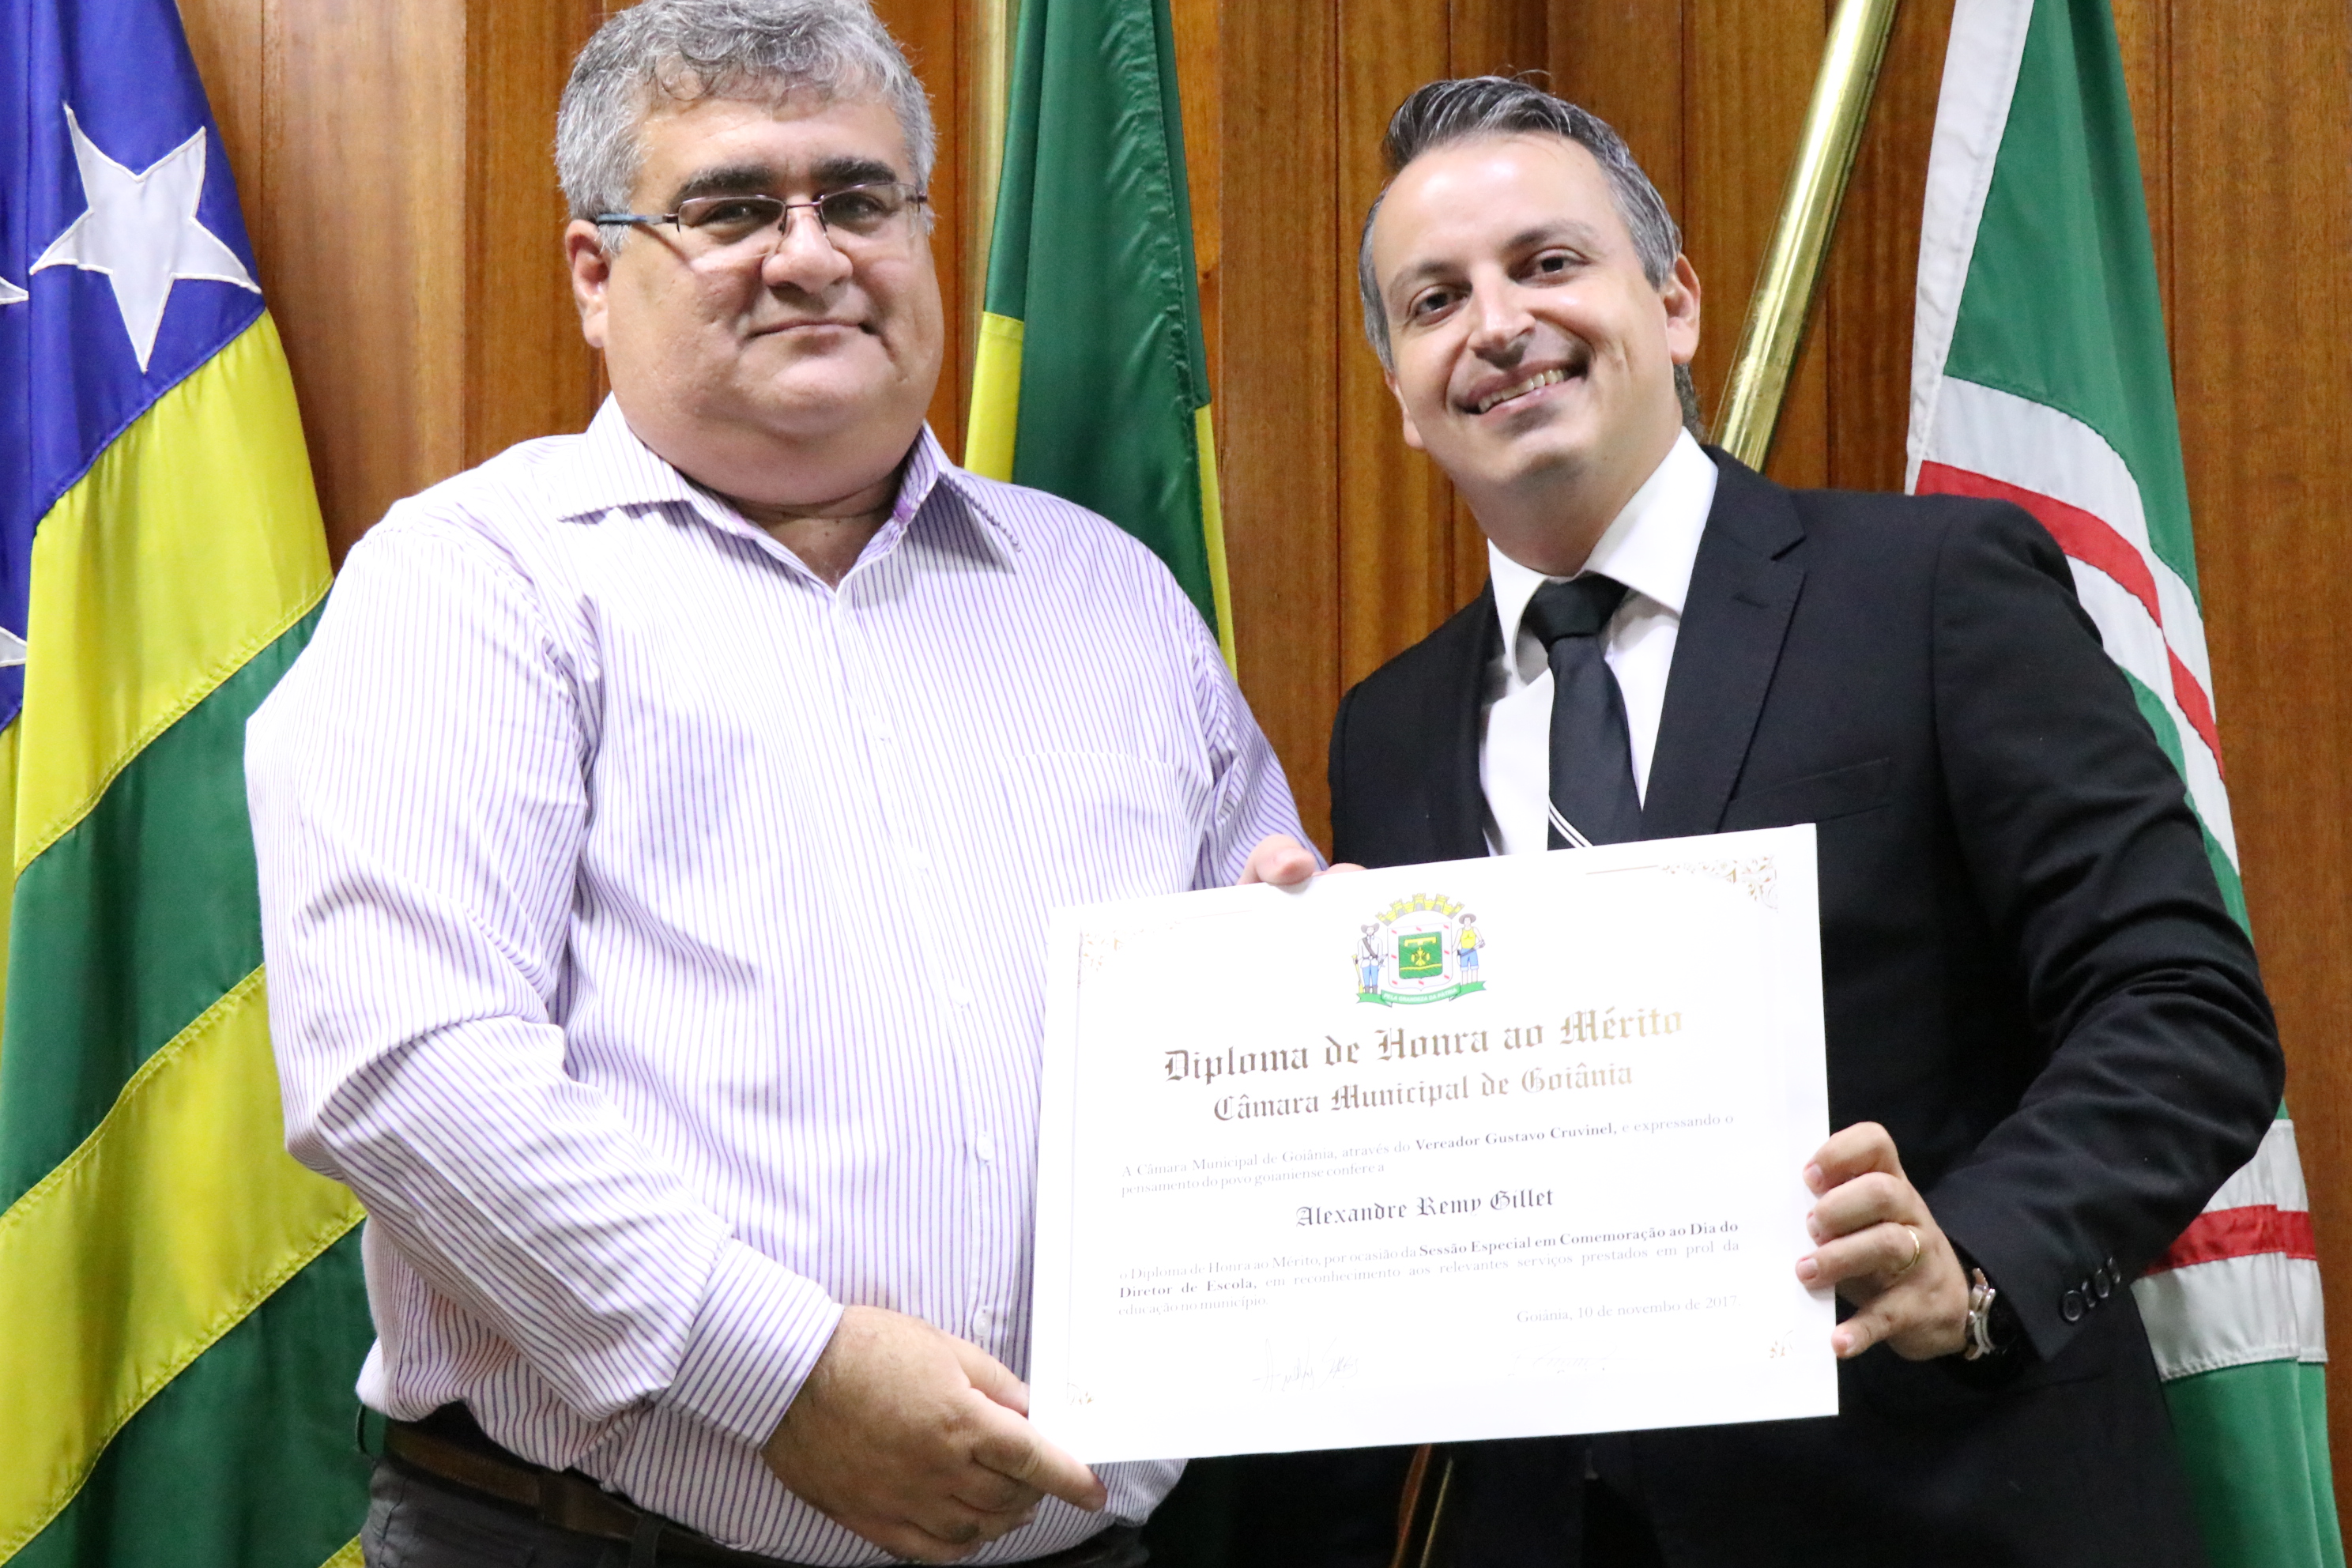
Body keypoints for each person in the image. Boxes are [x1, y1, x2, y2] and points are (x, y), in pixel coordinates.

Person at [245, 4, 1319, 1566]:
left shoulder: (1111, 598)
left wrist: (1321, 983)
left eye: (860, 198)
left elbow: (1256, 991)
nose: (811, 256)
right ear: (594, 274)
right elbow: (404, 1067)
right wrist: (788, 1374)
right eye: (734, 206)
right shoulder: (477, 583)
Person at [1276, 76, 2283, 1566]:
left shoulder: (1932, 591)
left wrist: (1976, 1259)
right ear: (1403, 396)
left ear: (1675, 302)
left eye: (1548, 264)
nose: (1496, 324)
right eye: (1435, 300)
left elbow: (2185, 1008)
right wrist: (1301, 1013)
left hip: (1948, 1510)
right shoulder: (1391, 728)